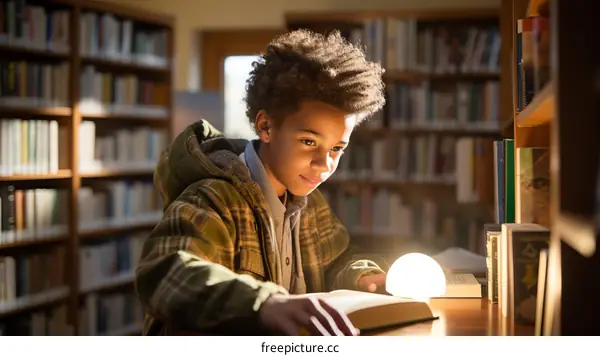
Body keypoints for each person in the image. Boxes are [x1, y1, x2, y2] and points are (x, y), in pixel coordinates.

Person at [135, 29, 389, 337]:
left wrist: (362, 275)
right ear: (265, 126)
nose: (325, 165)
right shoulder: (212, 199)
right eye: (309, 141)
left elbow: (338, 259)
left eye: (337, 148)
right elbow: (166, 271)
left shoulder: (310, 202)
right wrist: (264, 303)